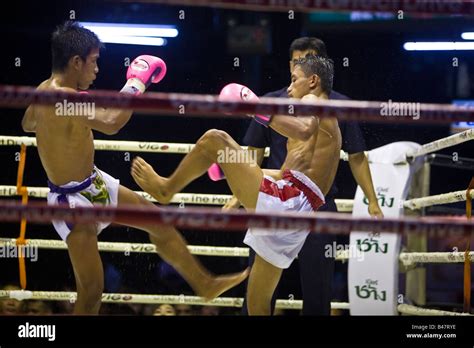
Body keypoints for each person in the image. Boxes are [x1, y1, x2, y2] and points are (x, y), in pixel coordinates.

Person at [21, 21, 248, 315]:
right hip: (72, 202)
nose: (97, 70)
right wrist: (136, 82)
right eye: (94, 62)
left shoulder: (44, 92)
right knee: (90, 294)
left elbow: (27, 123)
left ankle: (205, 284)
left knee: (156, 221)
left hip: (93, 183)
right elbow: (113, 122)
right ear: (76, 62)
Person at [130, 54, 341, 315]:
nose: (288, 88)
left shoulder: (314, 102)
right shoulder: (321, 128)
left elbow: (304, 130)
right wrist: (234, 170)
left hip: (291, 202)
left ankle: (165, 189)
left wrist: (253, 105)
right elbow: (294, 177)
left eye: (294, 80)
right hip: (297, 209)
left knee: (214, 139)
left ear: (313, 80)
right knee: (257, 305)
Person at [225, 37, 384, 315]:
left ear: (317, 70)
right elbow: (255, 150)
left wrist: (373, 201)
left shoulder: (339, 105)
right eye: (296, 61)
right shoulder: (274, 99)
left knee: (318, 288)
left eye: (307, 60)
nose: (300, 66)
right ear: (290, 65)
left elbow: (356, 155)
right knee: (260, 289)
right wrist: (240, 192)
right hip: (275, 197)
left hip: (319, 204)